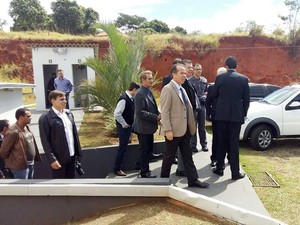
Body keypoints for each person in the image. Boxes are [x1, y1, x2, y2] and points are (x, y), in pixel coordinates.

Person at [160, 62, 209, 188]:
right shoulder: (168, 89)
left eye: (185, 73)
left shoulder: (182, 88)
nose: (184, 75)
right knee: (169, 157)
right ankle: (162, 182)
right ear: (173, 74)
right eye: (181, 73)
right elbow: (165, 111)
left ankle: (193, 180)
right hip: (174, 131)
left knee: (188, 156)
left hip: (185, 130)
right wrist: (168, 130)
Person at [212, 56, 250, 180]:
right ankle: (235, 172)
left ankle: (219, 168)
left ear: (226, 66)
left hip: (221, 116)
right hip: (236, 117)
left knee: (221, 142)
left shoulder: (220, 78)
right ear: (236, 66)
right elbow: (246, 100)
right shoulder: (243, 79)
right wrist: (242, 113)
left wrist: (219, 109)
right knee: (234, 144)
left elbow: (214, 96)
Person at [38, 90, 82, 178]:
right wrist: (52, 160)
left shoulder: (68, 114)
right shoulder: (45, 118)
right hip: (59, 159)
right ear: (53, 101)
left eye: (65, 99)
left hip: (72, 156)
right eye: (61, 99)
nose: (65, 101)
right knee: (60, 185)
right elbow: (45, 142)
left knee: (71, 183)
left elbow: (74, 135)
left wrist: (77, 154)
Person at [0, 108, 41, 179]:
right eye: (28, 116)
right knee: (22, 188)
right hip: (20, 167)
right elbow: (3, 152)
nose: (31, 118)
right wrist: (16, 160)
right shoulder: (13, 132)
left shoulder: (27, 127)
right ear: (21, 117)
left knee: (29, 186)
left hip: (30, 164)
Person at [134, 70, 161, 178]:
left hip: (149, 127)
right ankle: (144, 172)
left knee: (147, 149)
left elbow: (152, 107)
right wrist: (155, 117)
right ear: (143, 80)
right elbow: (140, 112)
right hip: (144, 128)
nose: (151, 80)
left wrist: (158, 114)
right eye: (149, 79)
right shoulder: (140, 94)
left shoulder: (148, 91)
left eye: (151, 78)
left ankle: (139, 164)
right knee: (144, 150)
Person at [113, 81, 140, 176]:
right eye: (137, 91)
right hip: (124, 128)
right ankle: (117, 169)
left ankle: (140, 162)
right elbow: (117, 114)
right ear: (134, 90)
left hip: (129, 126)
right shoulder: (124, 99)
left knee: (142, 135)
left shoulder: (130, 98)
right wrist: (124, 124)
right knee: (122, 147)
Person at [205, 67, 227, 167]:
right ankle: (214, 158)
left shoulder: (228, 87)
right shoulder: (212, 87)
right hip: (216, 117)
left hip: (227, 117)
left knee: (227, 138)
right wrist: (209, 113)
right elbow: (207, 102)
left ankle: (226, 158)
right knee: (217, 139)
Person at [189, 63, 208, 152]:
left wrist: (205, 96)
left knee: (202, 126)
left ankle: (204, 144)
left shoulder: (204, 80)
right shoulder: (189, 81)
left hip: (202, 105)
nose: (198, 71)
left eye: (200, 69)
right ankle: (193, 145)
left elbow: (207, 92)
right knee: (193, 126)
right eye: (196, 69)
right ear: (193, 70)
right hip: (194, 106)